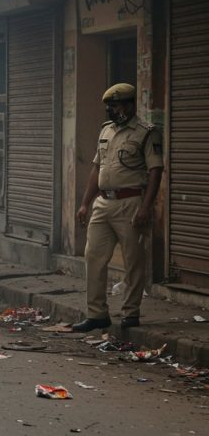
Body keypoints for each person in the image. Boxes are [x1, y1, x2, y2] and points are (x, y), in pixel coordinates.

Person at [72, 84, 164, 332]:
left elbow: (156, 170)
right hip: (103, 203)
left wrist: (146, 207)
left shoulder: (147, 133)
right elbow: (96, 169)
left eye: (114, 106)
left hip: (131, 203)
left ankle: (130, 313)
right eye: (109, 107)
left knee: (133, 260)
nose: (110, 111)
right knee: (93, 257)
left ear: (128, 105)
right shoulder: (106, 130)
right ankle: (97, 314)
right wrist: (85, 203)